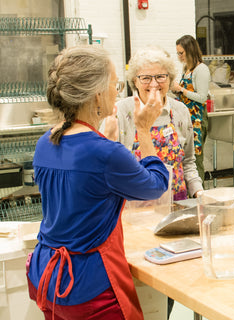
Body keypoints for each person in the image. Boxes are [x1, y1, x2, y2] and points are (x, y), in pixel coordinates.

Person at [27, 46, 170, 319]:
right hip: (87, 284)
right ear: (97, 94)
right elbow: (155, 185)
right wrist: (143, 130)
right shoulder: (104, 153)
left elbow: (84, 191)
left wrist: (107, 138)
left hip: (47, 275)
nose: (117, 91)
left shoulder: (45, 142)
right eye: (114, 84)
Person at [111, 46, 203, 200]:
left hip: (177, 204)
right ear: (135, 80)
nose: (154, 84)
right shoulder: (120, 112)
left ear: (170, 78)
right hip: (136, 206)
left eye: (161, 77)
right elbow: (109, 167)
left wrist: (199, 192)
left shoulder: (180, 111)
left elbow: (188, 162)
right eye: (146, 78)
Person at [172, 35, 211, 182]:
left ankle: (199, 196)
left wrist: (181, 90)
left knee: (196, 158)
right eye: (178, 53)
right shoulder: (187, 69)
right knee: (186, 157)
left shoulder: (201, 69)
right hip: (186, 119)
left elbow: (202, 97)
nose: (179, 56)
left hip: (197, 121)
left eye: (181, 53)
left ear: (190, 51)